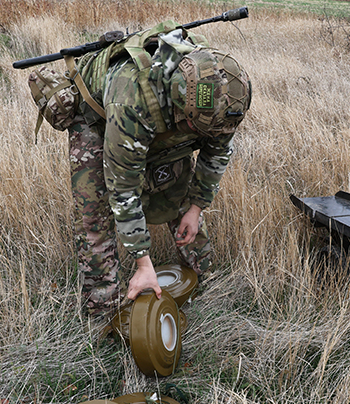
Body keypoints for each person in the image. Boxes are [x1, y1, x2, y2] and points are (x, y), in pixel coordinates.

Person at [65, 23, 251, 316]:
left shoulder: (222, 99)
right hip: (99, 119)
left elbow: (217, 152)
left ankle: (203, 278)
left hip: (164, 117)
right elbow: (123, 186)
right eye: (198, 129)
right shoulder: (130, 98)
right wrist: (142, 262)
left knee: (176, 189)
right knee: (95, 214)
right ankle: (103, 311)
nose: (209, 135)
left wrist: (195, 208)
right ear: (181, 107)